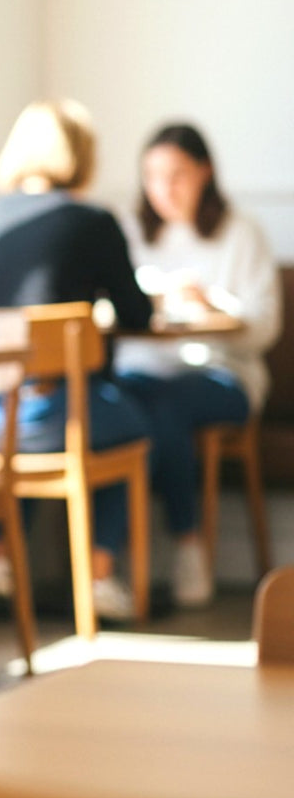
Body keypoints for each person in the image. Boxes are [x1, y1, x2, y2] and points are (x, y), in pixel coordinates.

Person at [0, 99, 154, 622]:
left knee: (27, 410)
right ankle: (101, 577)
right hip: (47, 416)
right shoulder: (93, 221)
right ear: (82, 156)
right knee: (130, 424)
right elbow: (138, 314)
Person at [114, 123, 282, 607]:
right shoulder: (131, 232)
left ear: (204, 173)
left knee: (166, 407)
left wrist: (212, 306)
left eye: (177, 175)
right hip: (144, 368)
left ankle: (187, 547)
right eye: (153, 176)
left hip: (224, 373)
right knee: (115, 406)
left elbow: (265, 327)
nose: (164, 189)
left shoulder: (240, 233)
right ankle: (110, 562)